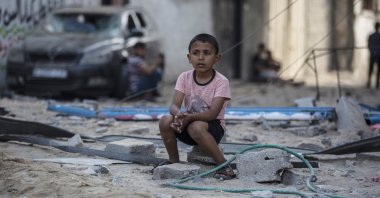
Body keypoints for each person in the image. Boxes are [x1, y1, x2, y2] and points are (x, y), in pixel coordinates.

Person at [158, 33, 236, 180]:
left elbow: (213, 113)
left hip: (212, 128)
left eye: (206, 53)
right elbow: (174, 104)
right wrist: (179, 114)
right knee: (165, 120)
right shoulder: (184, 77)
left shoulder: (221, 81)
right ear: (189, 58)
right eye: (196, 53)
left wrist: (188, 118)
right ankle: (173, 160)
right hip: (186, 124)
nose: (201, 58)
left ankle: (223, 165)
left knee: (197, 126)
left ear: (216, 58)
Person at [367, 22, 380, 89]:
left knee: (371, 69)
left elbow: (369, 45)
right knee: (376, 70)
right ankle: (376, 83)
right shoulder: (374, 36)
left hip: (373, 54)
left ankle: (370, 82)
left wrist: (372, 51)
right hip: (377, 55)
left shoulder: (371, 36)